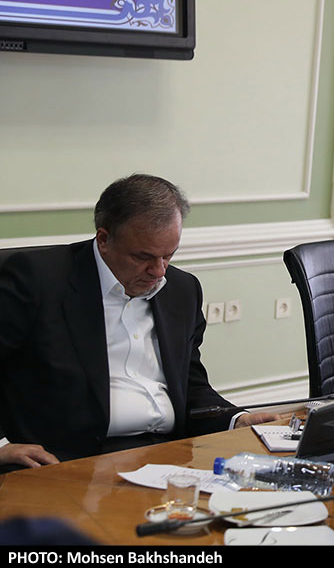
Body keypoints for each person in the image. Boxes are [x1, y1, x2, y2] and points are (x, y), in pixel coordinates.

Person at [0, 174, 276, 469]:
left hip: (169, 453)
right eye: (143, 257)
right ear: (104, 240)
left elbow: (190, 383)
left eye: (168, 255)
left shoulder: (182, 289)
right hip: (69, 458)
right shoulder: (39, 280)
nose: (158, 271)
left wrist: (235, 419)